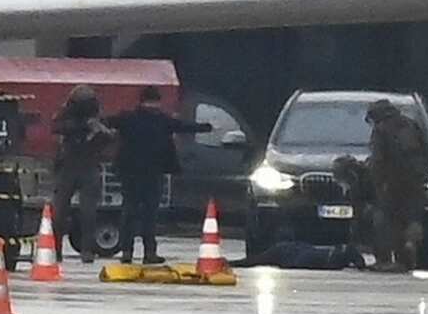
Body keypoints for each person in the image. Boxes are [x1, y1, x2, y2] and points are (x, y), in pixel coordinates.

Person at [107, 86, 212, 264]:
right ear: (157, 101)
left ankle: (127, 252)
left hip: (130, 173)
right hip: (153, 173)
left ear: (140, 101)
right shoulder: (163, 120)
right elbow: (183, 127)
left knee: (129, 212)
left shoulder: (128, 118)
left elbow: (108, 121)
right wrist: (206, 127)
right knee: (150, 214)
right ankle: (149, 253)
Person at [366, 99, 428, 272]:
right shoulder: (411, 125)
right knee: (411, 219)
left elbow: (378, 161)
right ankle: (407, 254)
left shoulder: (381, 130)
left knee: (386, 220)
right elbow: (427, 152)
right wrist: (423, 175)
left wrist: (377, 183)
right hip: (416, 182)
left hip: (392, 183)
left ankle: (385, 260)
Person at [52, 85, 115, 264]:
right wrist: (83, 127)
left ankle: (87, 249)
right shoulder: (67, 115)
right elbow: (56, 127)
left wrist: (99, 134)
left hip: (86, 164)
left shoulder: (97, 116)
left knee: (88, 212)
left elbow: (108, 138)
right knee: (59, 212)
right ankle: (57, 249)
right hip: (70, 165)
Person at [230, 241, 366, 270]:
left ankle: (232, 263)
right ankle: (232, 263)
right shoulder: (334, 259)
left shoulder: (333, 257)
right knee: (255, 261)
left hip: (291, 251)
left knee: (255, 260)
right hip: (289, 253)